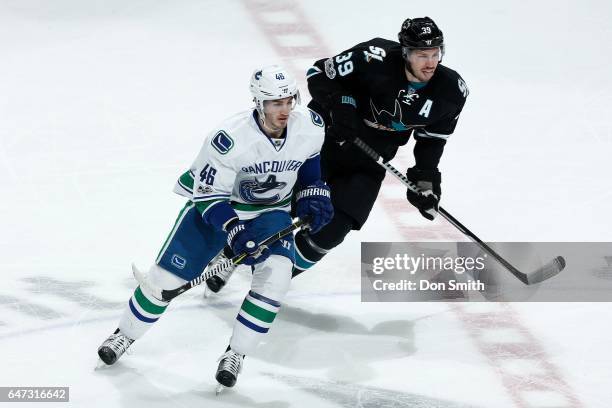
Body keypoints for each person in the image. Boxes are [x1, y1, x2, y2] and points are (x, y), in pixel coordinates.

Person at [97, 65, 334, 390]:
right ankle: (124, 334)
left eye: (288, 100)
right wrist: (235, 231)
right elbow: (208, 198)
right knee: (165, 280)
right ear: (258, 102)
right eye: (275, 103)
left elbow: (308, 166)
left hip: (270, 212)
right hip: (219, 210)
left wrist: (312, 195)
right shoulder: (229, 139)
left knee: (276, 278)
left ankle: (236, 354)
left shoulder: (309, 126)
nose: (284, 109)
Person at [291, 16, 469, 276]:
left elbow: (432, 140)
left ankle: (275, 278)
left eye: (435, 54)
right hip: (322, 144)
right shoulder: (373, 57)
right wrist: (341, 105)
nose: (430, 63)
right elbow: (318, 73)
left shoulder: (451, 91)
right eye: (422, 55)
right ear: (406, 53)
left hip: (369, 160)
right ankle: (227, 246)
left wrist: (426, 181)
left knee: (332, 230)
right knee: (282, 205)